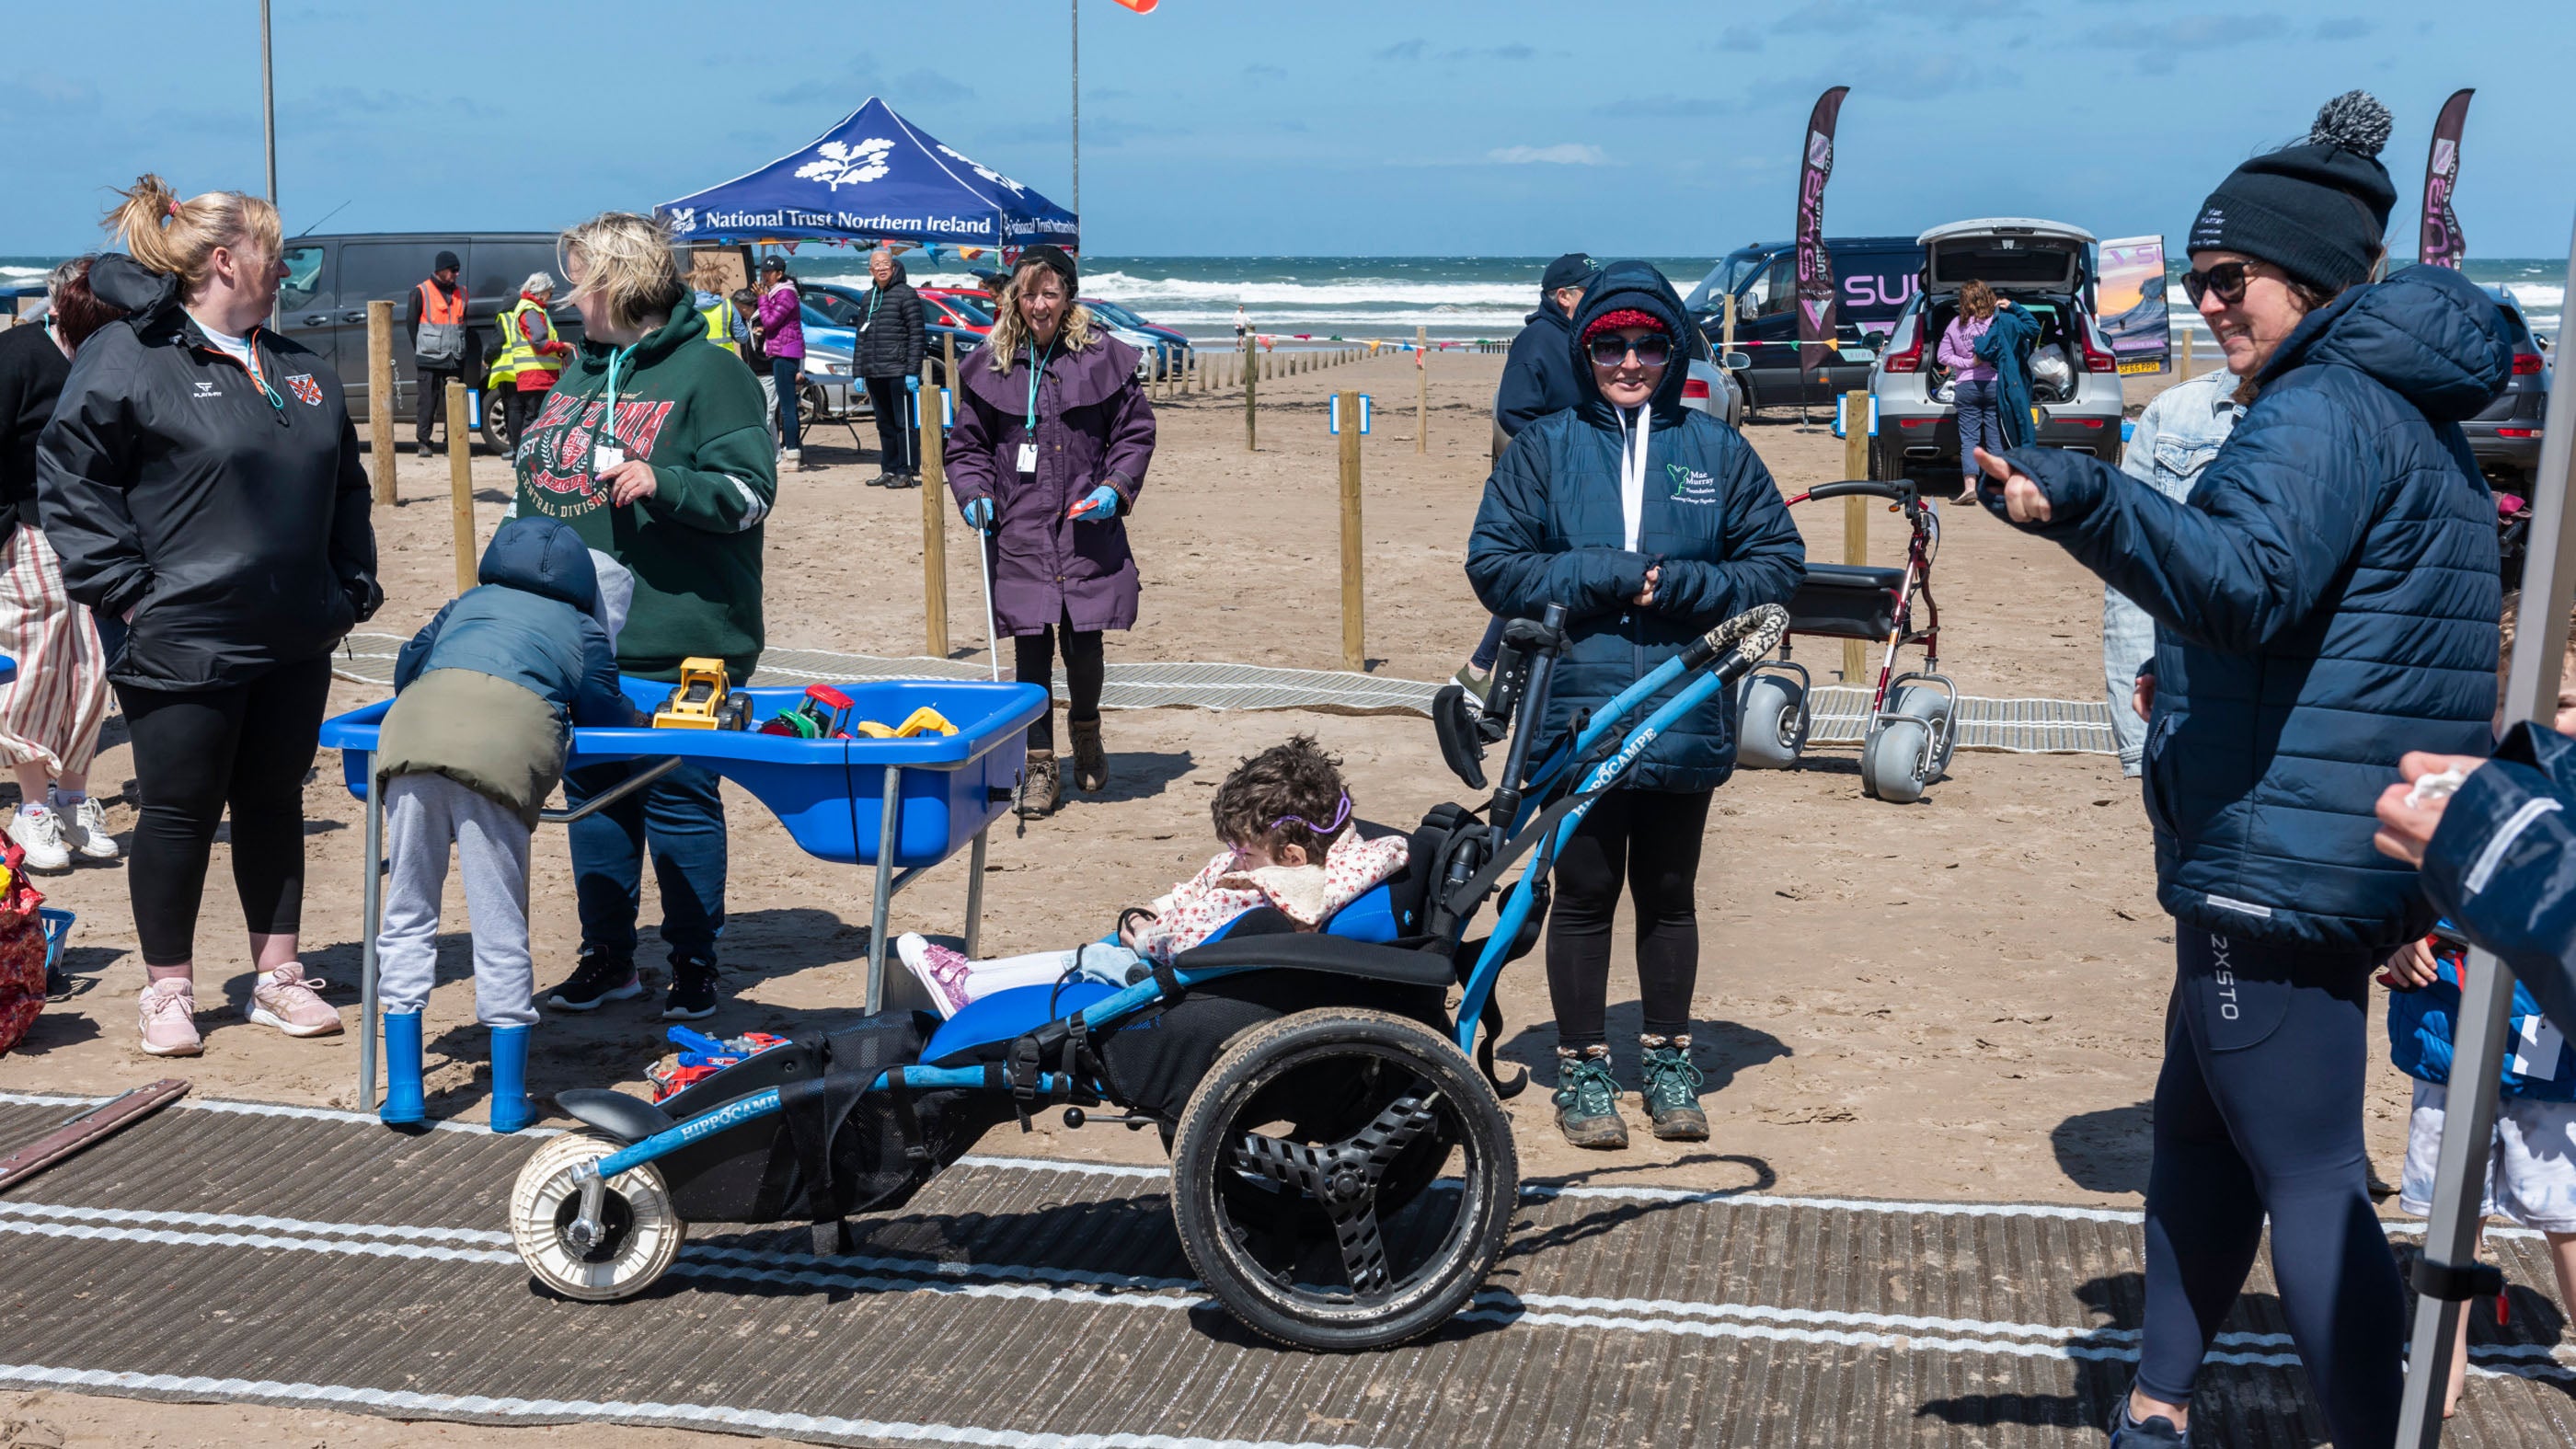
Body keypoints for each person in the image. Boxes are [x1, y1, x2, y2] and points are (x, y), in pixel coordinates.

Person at [1969, 93, 2509, 1449]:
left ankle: (2375, 1429)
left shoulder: (2324, 404)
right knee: (2201, 1135)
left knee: (2313, 1175)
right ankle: (2155, 1401)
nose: (2209, 304)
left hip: (2279, 852)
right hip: (2318, 835)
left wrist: (2084, 497)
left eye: (2232, 280)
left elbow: (2245, 588)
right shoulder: (2402, 407)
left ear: (2313, 281)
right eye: (2199, 279)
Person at [40, 174, 382, 1058]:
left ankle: (277, 976)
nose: (288, 267)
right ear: (227, 261)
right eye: (277, 251)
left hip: (295, 631)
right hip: (178, 635)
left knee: (274, 802)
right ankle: (169, 990)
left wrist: (351, 587)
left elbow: (347, 482)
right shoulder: (132, 358)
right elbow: (73, 476)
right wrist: (124, 591)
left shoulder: (298, 365)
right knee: (179, 810)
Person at [1466, 260, 1805, 1151]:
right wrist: (1608, 574)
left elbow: (1775, 567)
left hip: (1683, 702)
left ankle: (1666, 1061)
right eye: (1609, 344)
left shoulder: (1716, 450)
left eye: (1646, 344)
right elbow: (1495, 565)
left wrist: (1682, 585)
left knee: (1668, 892)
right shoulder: (1543, 448)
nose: (1627, 360)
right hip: (1571, 704)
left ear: (1671, 349)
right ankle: (1581, 1067)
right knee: (1581, 893)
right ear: (1584, 351)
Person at [510, 212, 776, 1021]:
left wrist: (668, 483)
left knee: (678, 800)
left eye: (580, 276)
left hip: (681, 642)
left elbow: (750, 494)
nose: (566, 294)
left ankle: (694, 961)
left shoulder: (710, 373)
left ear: (619, 284)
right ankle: (609, 958)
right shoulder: (578, 373)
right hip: (580, 645)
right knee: (593, 799)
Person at [2377, 603, 2576, 1418]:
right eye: (2523, 702)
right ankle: (2440, 1361)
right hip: (2452, 1036)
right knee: (2453, 1218)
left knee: (2568, 1214)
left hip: (2554, 1053)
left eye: (2564, 702)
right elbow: (2398, 886)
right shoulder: (2459, 783)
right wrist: (2397, 944)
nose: (2545, 720)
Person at [374, 517, 634, 1132]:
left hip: (411, 740)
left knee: (407, 911)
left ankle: (407, 1090)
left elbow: (407, 669)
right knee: (500, 923)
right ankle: (507, 1098)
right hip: (503, 755)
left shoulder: (464, 603)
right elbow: (604, 710)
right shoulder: (581, 626)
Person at [894, 734, 1409, 1016]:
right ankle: (971, 979)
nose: (1235, 860)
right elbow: (1209, 887)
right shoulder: (1327, 856)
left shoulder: (1279, 892)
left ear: (1292, 856)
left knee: (1092, 962)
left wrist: (1147, 932)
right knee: (1092, 956)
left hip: (1183, 984)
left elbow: (1188, 939)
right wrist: (1161, 909)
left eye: (1243, 852)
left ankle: (972, 988)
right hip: (1200, 966)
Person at [945, 244, 1156, 817]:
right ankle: (1039, 765)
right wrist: (975, 495)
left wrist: (1115, 487)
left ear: (1068, 297)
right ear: (1015, 296)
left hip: (1085, 525)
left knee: (1084, 642)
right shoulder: (993, 362)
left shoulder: (1101, 357)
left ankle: (1085, 730)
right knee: (1031, 651)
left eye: (1050, 293)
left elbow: (1133, 434)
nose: (1039, 305)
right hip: (1021, 529)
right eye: (1029, 293)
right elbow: (968, 448)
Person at [0, 257, 123, 872]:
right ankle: (32, 805)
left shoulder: (114, 356)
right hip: (26, 530)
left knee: (94, 668)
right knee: (38, 663)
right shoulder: (17, 358)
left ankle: (72, 797)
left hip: (95, 532)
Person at [1458, 252, 1596, 698]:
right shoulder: (1536, 339)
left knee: (1547, 574)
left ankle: (1482, 669)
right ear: (1564, 297)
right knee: (1541, 575)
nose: (1597, 297)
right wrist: (1560, 449)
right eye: (1588, 290)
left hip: (1585, 474)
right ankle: (1484, 671)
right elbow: (1513, 410)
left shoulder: (1580, 336)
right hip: (1551, 477)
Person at [2102, 364, 2242, 775]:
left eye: (2233, 292)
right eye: (2202, 294)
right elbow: (2133, 578)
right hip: (2196, 730)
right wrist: (2140, 738)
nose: (2214, 304)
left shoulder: (2370, 412)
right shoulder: (2176, 413)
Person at [856, 247, 927, 488]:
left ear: (893, 266)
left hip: (898, 370)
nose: (881, 268)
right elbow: (861, 338)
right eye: (877, 265)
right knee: (883, 424)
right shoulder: (868, 297)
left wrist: (912, 370)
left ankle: (906, 470)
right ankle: (888, 468)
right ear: (870, 270)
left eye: (885, 263)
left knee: (903, 423)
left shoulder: (906, 294)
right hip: (875, 371)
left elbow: (917, 334)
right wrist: (858, 371)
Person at [1936, 280, 2004, 503]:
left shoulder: (1956, 324)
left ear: (1963, 301)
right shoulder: (1996, 321)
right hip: (1994, 384)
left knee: (1970, 439)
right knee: (1995, 438)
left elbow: (1942, 357)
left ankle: (1970, 487)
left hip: (1967, 386)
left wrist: (1968, 363)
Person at [492, 272, 572, 449]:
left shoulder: (530, 309)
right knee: (535, 418)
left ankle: (525, 454)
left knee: (533, 417)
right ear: (541, 292)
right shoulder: (531, 310)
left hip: (536, 374)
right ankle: (526, 455)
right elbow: (539, 342)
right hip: (537, 375)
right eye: (550, 292)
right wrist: (561, 347)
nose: (550, 296)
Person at [407, 249, 473, 454]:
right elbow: (411, 324)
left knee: (455, 403)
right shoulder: (421, 291)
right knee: (427, 402)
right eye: (453, 270)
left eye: (457, 270)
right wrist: (424, 347)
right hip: (429, 357)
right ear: (440, 270)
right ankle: (424, 442)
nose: (456, 274)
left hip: (455, 357)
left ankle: (451, 443)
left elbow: (463, 323)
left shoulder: (462, 292)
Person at [754, 256, 806, 470]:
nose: (765, 277)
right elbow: (776, 325)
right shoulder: (779, 293)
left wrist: (762, 299)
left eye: (769, 273)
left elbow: (770, 320)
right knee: (786, 407)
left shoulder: (785, 294)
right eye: (763, 272)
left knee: (787, 408)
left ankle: (792, 455)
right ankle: (791, 451)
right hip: (781, 350)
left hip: (786, 353)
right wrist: (765, 331)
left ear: (779, 273)